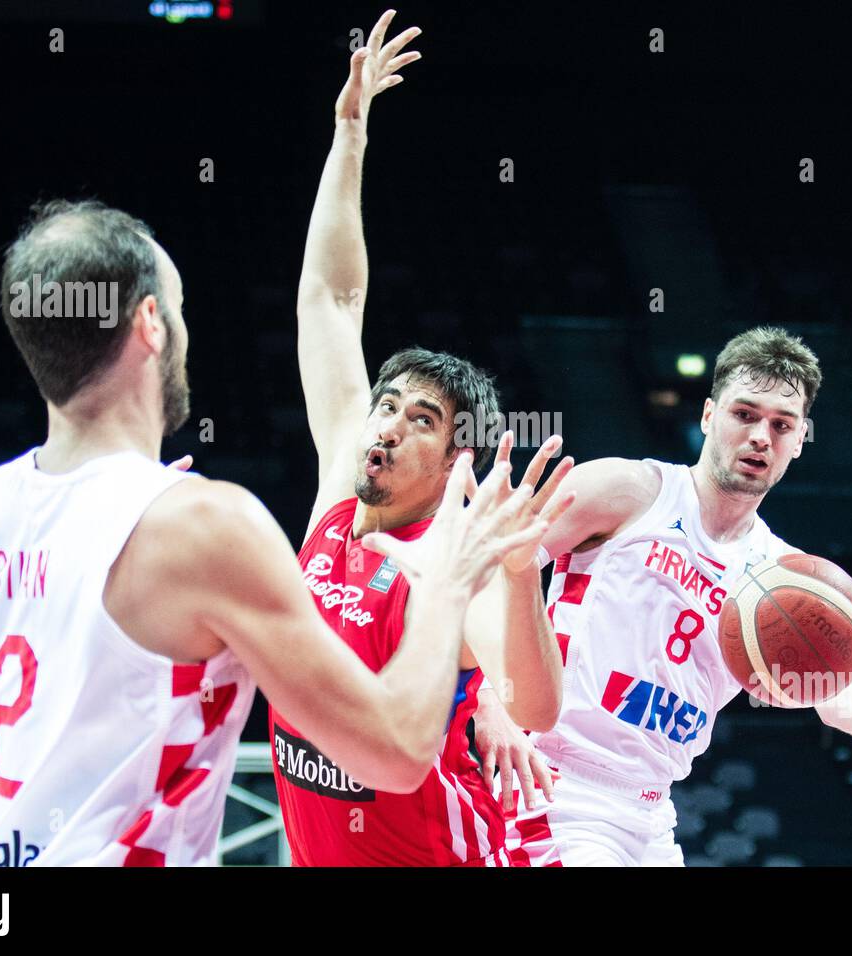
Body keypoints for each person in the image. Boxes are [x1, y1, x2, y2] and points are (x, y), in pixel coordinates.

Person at [0, 199, 553, 866]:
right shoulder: (202, 527)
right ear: (151, 324)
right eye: (181, 306)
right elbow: (396, 749)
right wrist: (450, 589)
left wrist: (489, 695)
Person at [502, 326, 852, 866]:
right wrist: (490, 698)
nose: (761, 436)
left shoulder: (778, 577)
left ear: (798, 440)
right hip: (556, 783)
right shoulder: (628, 492)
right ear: (708, 416)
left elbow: (836, 693)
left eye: (781, 424)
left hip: (651, 813)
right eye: (745, 414)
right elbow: (492, 569)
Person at [269, 9, 571, 866]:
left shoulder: (448, 560)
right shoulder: (337, 494)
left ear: (453, 464)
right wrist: (349, 134)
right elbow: (328, 302)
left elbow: (535, 705)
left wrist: (518, 579)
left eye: (423, 420)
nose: (390, 423)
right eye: (388, 404)